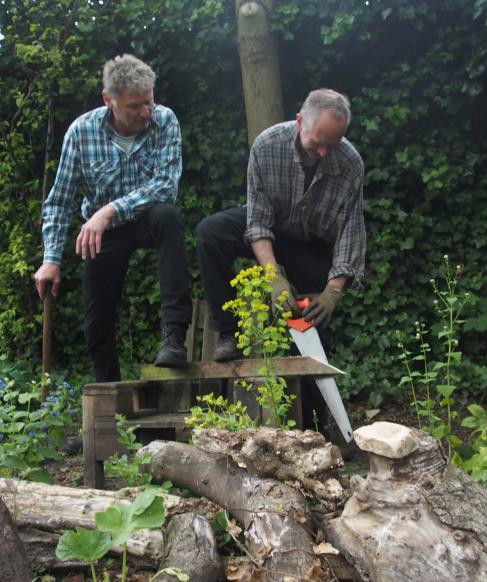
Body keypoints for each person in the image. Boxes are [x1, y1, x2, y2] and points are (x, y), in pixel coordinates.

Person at [34, 54, 192, 382]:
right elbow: (59, 202)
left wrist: (109, 210)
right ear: (109, 101)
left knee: (168, 217)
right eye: (135, 106)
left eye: (149, 101)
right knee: (96, 325)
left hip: (146, 217)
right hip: (102, 234)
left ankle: (174, 336)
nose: (146, 112)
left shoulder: (165, 121)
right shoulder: (81, 133)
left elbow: (165, 186)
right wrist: (51, 260)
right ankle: (110, 404)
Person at [196, 88, 366, 371]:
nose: (324, 153)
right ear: (300, 121)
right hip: (271, 231)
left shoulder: (351, 163)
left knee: (314, 327)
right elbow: (258, 220)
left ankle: (314, 411)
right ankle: (228, 333)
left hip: (312, 245)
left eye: (333, 144)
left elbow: (351, 230)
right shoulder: (266, 145)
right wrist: (274, 277)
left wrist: (332, 292)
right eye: (317, 144)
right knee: (210, 232)